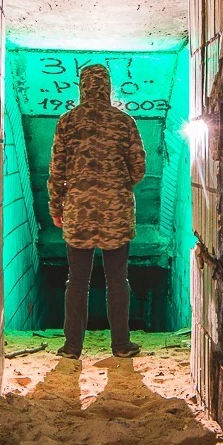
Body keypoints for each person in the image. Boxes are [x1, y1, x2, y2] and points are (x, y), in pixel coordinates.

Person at [47, 64, 146, 359]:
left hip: (78, 214)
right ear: (108, 87)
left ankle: (72, 347)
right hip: (116, 215)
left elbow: (57, 170)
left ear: (82, 87)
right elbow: (139, 168)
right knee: (118, 279)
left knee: (77, 280)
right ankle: (121, 345)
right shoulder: (124, 122)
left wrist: (56, 206)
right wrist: (118, 184)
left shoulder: (67, 121)